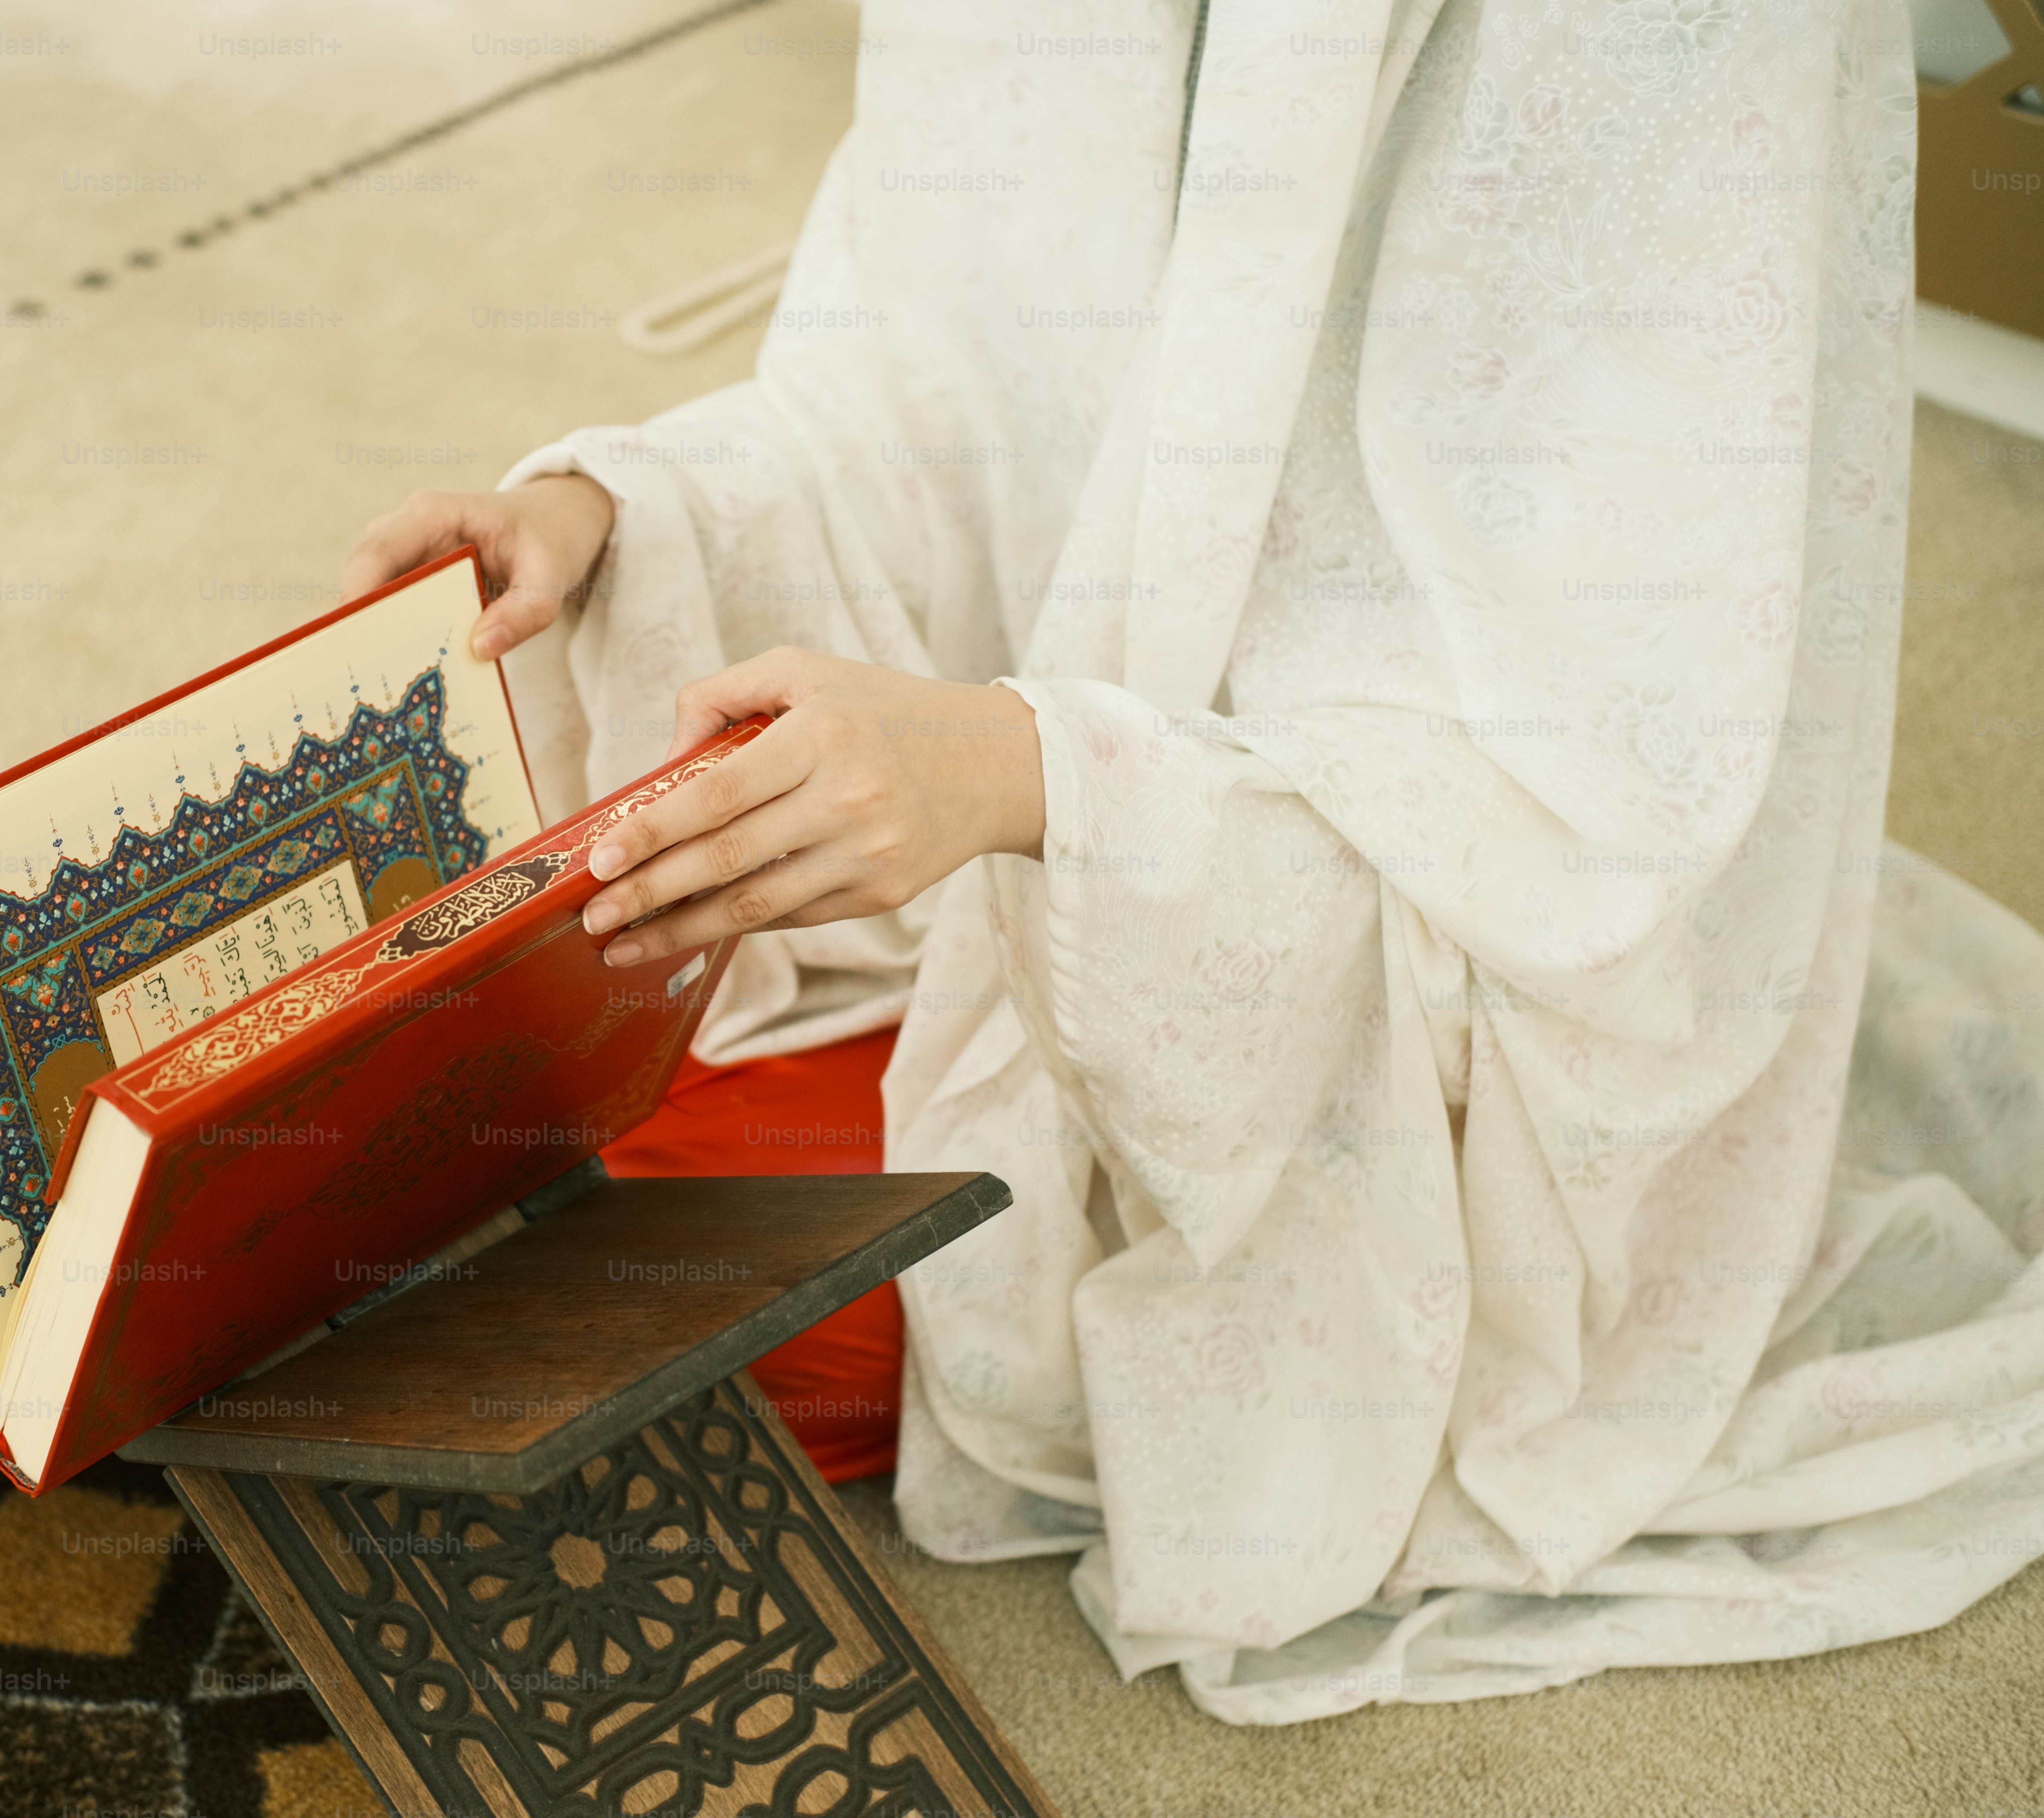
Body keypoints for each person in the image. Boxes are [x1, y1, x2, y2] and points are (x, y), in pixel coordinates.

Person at [340, 0, 2044, 1724]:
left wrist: (1028, 773)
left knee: (565, 1287)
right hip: (1063, 850)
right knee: (374, 1061)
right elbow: (920, 396)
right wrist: (624, 516)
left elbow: (1596, 828)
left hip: (1367, 1005)